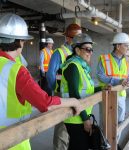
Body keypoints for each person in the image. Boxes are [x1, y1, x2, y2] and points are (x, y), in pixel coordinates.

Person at [0, 13, 80, 150]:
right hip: (13, 141)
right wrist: (73, 101)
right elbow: (45, 104)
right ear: (20, 42)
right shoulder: (17, 71)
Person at [46, 23, 82, 150]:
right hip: (61, 94)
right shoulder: (59, 52)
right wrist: (56, 90)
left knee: (73, 123)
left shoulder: (78, 53)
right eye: (74, 38)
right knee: (62, 126)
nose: (77, 41)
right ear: (67, 38)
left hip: (73, 93)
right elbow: (50, 75)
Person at [60, 33, 96, 150]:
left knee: (77, 146)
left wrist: (102, 88)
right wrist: (85, 119)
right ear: (77, 50)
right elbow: (74, 94)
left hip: (80, 113)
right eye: (87, 49)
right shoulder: (73, 67)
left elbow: (86, 90)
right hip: (75, 116)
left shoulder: (82, 66)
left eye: (91, 50)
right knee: (80, 146)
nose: (90, 52)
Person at [96, 32, 129, 145]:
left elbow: (128, 76)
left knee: (120, 121)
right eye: (126, 45)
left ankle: (114, 144)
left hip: (121, 96)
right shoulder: (104, 59)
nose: (128, 48)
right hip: (107, 94)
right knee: (106, 122)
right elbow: (100, 75)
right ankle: (104, 144)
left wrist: (127, 81)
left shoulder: (128, 60)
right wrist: (117, 81)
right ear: (117, 46)